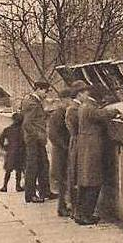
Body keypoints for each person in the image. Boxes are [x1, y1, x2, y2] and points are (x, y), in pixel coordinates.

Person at [72, 84, 123, 225]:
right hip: (92, 148)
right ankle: (86, 215)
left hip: (86, 147)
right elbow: (101, 114)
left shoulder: (83, 106)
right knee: (93, 181)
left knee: (84, 182)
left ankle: (80, 214)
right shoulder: (89, 106)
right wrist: (116, 110)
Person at [20, 81, 57, 203]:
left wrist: (47, 112)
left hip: (36, 139)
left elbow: (36, 118)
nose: (46, 95)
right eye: (45, 91)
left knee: (43, 165)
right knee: (33, 167)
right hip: (34, 140)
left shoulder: (31, 101)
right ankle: (30, 195)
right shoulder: (33, 104)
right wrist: (39, 136)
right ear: (39, 89)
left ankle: (45, 191)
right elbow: (27, 124)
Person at [63, 80, 88, 218]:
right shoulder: (74, 109)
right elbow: (78, 127)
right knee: (76, 175)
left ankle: (74, 209)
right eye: (85, 94)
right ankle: (75, 209)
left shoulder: (73, 107)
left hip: (75, 142)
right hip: (77, 143)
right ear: (79, 95)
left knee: (75, 174)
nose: (87, 96)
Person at [47, 87, 73, 217]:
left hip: (61, 150)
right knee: (63, 180)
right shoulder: (59, 114)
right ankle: (62, 208)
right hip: (61, 152)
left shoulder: (59, 112)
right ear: (64, 100)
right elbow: (52, 134)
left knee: (63, 180)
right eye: (69, 99)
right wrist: (65, 147)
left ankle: (63, 206)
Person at [0, 112, 26, 192]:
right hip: (20, 152)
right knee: (19, 171)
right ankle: (17, 186)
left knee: (8, 171)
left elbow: (1, 139)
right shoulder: (22, 130)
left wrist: (4, 147)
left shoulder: (8, 129)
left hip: (10, 152)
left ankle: (5, 186)